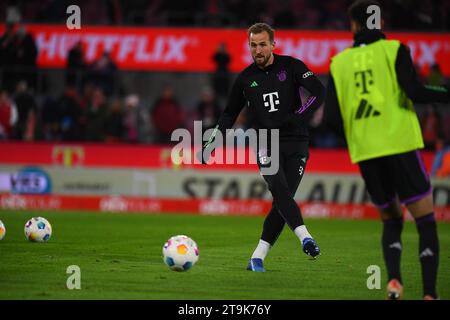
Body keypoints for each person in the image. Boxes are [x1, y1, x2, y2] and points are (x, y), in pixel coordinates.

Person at [324, 0, 450, 300]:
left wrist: (357, 138)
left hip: (367, 153)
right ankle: (430, 294)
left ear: (353, 25)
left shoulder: (337, 63)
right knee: (425, 220)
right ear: (380, 23)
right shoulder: (394, 50)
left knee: (391, 219)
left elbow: (330, 119)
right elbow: (415, 91)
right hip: (400, 145)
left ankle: (394, 281)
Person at [199, 23, 325, 272]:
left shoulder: (291, 66)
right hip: (265, 142)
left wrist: (299, 117)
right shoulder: (246, 78)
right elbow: (229, 113)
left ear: (272, 45)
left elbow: (318, 92)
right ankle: (306, 237)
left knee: (283, 200)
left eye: (262, 44)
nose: (258, 49)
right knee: (279, 190)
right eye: (253, 45)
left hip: (297, 142)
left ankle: (257, 257)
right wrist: (212, 141)